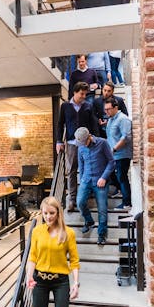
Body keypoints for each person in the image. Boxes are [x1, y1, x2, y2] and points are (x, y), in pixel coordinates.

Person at [56, 82, 98, 211]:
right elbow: (60, 124)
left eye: (85, 94)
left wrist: (95, 138)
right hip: (71, 144)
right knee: (72, 171)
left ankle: (85, 197)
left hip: (86, 144)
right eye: (82, 93)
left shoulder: (88, 106)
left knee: (87, 171)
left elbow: (93, 124)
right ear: (75, 92)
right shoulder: (65, 106)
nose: (84, 96)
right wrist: (59, 141)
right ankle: (72, 200)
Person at [75, 126, 115, 244]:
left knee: (102, 209)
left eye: (84, 142)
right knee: (80, 202)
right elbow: (81, 165)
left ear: (89, 137)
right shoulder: (80, 147)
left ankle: (101, 234)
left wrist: (104, 177)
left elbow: (112, 162)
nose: (82, 145)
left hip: (100, 181)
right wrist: (81, 179)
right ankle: (89, 221)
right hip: (86, 180)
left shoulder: (103, 143)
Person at [105, 98, 133, 210]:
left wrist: (114, 149)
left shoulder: (123, 119)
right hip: (113, 155)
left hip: (122, 154)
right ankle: (121, 191)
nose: (106, 112)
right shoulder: (111, 120)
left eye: (108, 109)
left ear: (116, 107)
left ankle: (127, 203)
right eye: (105, 110)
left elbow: (125, 137)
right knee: (112, 175)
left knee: (122, 177)